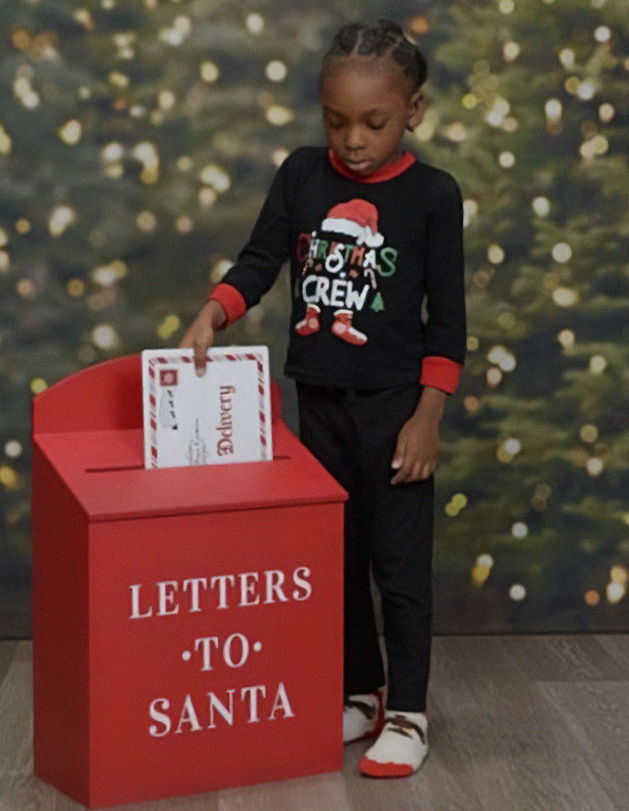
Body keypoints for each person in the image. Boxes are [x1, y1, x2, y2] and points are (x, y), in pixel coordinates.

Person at [179, 19, 466, 779]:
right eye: (335, 121)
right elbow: (262, 257)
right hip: (319, 403)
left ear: (414, 111)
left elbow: (449, 321)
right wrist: (215, 309)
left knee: (398, 564)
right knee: (333, 556)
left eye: (373, 122)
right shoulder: (303, 175)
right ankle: (358, 691)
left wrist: (429, 416)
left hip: (397, 407)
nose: (353, 140)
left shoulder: (434, 196)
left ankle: (407, 709)